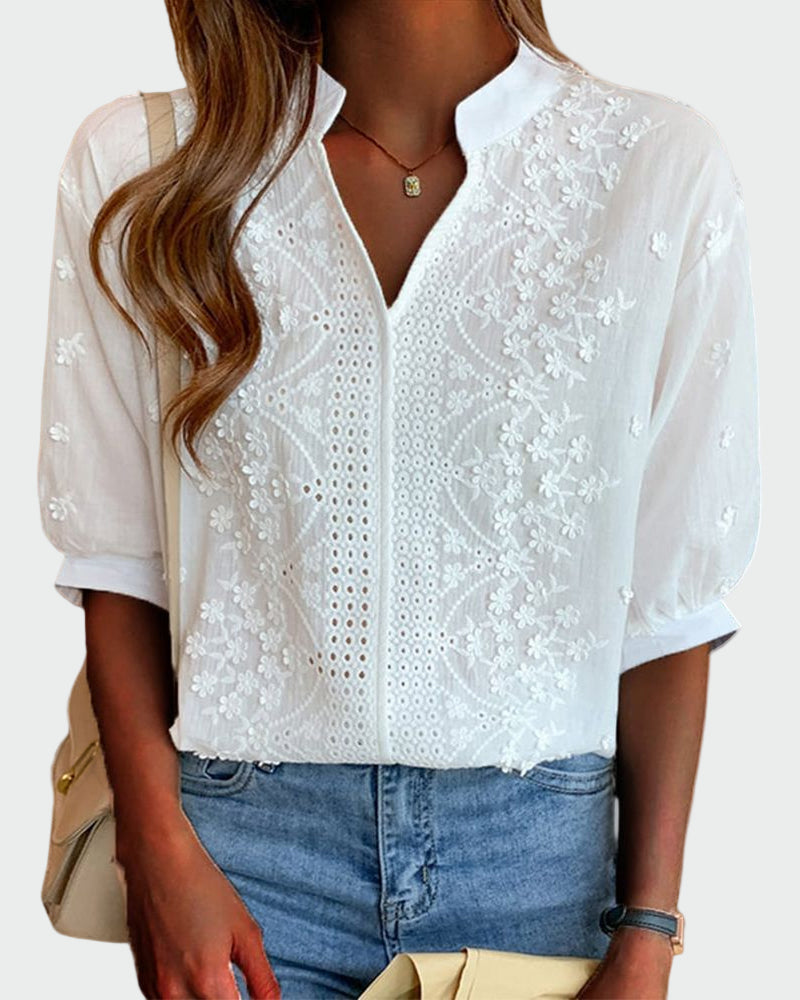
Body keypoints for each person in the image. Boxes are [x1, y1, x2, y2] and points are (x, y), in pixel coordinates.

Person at [37, 1, 760, 997]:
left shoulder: (656, 169)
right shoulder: (149, 168)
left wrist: (647, 933)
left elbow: (668, 607)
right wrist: (154, 849)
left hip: (538, 877)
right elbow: (120, 562)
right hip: (241, 867)